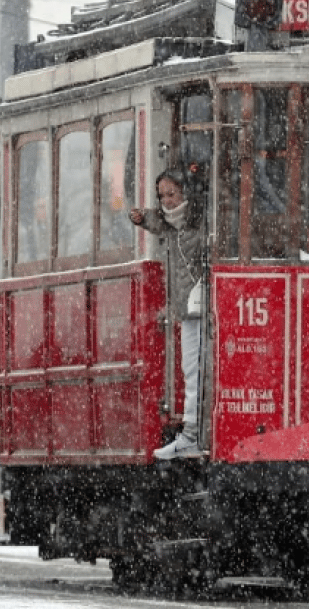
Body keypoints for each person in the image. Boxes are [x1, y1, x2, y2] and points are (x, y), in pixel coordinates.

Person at [130, 169, 209, 460]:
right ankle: (192, 434)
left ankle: (196, 434)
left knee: (200, 370)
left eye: (172, 194)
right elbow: (155, 220)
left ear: (186, 193)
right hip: (188, 308)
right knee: (191, 370)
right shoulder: (170, 225)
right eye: (162, 196)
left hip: (205, 306)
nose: (167, 201)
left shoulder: (200, 222)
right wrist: (139, 217)